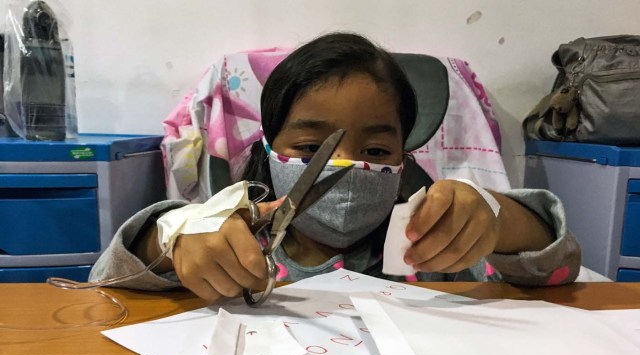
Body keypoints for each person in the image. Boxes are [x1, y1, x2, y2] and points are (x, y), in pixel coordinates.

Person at [90, 32, 581, 303]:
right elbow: (107, 280)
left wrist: (497, 218)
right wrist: (174, 235)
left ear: (404, 161)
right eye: (311, 147)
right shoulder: (233, 245)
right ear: (267, 148)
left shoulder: (438, 249)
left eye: (376, 152)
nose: (345, 166)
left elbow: (559, 270)